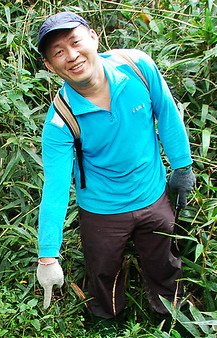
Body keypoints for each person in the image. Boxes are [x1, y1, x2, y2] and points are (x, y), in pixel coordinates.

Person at [34, 11, 196, 319]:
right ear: (50, 66)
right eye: (58, 53)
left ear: (93, 38)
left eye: (75, 42)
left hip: (152, 195)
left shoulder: (137, 68)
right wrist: (47, 257)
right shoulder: (60, 120)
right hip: (102, 209)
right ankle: (107, 323)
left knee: (164, 264)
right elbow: (54, 189)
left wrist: (183, 168)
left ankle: (170, 318)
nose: (71, 56)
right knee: (103, 272)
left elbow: (167, 114)